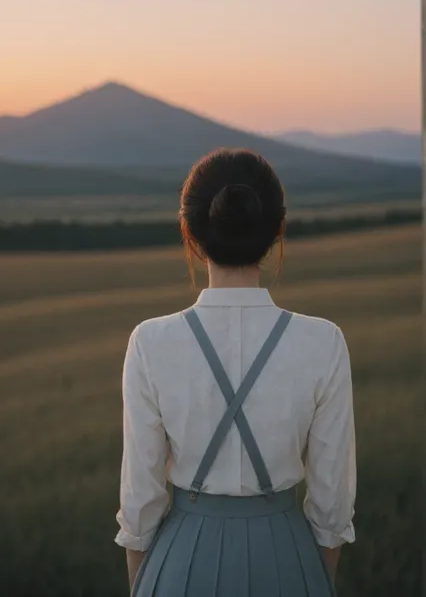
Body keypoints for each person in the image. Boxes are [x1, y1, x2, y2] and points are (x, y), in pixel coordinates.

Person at [115, 148, 356, 596]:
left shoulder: (150, 343)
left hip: (179, 564)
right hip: (288, 560)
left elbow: (141, 505)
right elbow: (332, 509)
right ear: (277, 230)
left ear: (190, 233)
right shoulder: (324, 342)